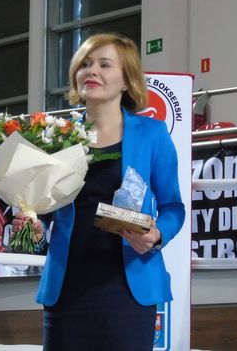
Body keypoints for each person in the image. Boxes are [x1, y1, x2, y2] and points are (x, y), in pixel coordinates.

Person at [13, 33, 185, 350]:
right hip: (67, 288)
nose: (92, 71)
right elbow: (43, 211)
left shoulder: (152, 134)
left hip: (129, 289)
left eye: (105, 65)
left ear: (127, 81)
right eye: (85, 64)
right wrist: (34, 227)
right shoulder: (55, 137)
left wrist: (157, 234)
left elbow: (174, 206)